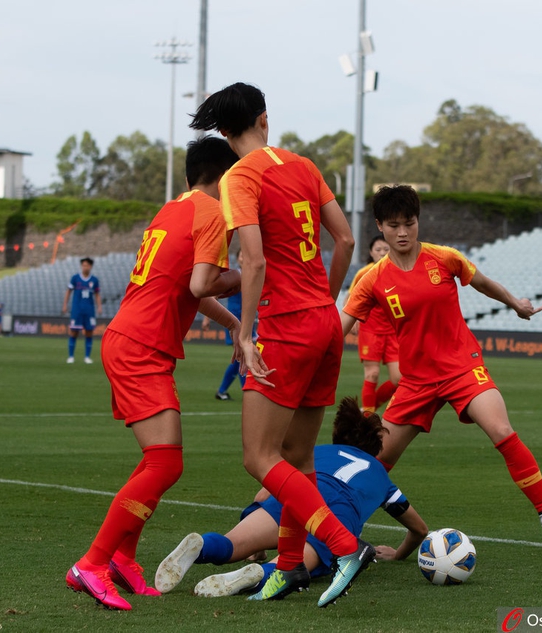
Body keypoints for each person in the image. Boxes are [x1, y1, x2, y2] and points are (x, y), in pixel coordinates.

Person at [190, 82, 375, 608]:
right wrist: (327, 300)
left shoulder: (239, 177)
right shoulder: (304, 165)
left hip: (285, 327)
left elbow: (253, 259)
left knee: (259, 457)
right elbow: (345, 240)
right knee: (298, 459)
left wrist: (244, 332)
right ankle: (289, 567)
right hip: (324, 323)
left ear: (224, 132)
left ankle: (343, 547)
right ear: (264, 119)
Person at [65, 136, 243, 611]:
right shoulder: (213, 213)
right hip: (141, 345)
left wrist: (232, 323)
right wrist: (251, 274)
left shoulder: (174, 209)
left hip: (133, 339)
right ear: (226, 178)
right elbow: (204, 282)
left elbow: (186, 286)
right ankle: (92, 563)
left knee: (157, 462)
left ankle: (123, 558)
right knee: (166, 463)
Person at [341, 185, 542, 548]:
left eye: (409, 223)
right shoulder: (371, 279)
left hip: (462, 367)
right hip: (416, 381)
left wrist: (516, 304)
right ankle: (340, 533)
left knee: (501, 430)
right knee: (376, 460)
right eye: (393, 225)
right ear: (380, 226)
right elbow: (342, 325)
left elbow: (483, 283)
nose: (402, 232)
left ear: (418, 222)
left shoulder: (444, 258)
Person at [154, 397, 428, 598]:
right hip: (337, 515)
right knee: (289, 566)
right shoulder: (380, 475)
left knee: (232, 543)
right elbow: (419, 530)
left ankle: (202, 546)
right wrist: (398, 554)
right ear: (376, 447)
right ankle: (261, 573)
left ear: (338, 435)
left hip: (298, 496)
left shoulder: (316, 451)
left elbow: (265, 491)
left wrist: (256, 532)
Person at [348, 235, 401, 413]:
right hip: (370, 329)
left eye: (386, 249)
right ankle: (368, 417)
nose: (382, 253)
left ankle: (366, 410)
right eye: (378, 250)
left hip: (393, 331)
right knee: (372, 374)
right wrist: (352, 319)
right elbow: (350, 298)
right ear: (371, 253)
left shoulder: (399, 271)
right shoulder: (364, 273)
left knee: (399, 380)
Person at [202, 249, 256, 401]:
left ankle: (223, 391)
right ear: (238, 259)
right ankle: (245, 391)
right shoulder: (235, 275)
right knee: (241, 356)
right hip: (234, 319)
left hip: (248, 320)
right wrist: (207, 318)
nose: (244, 258)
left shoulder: (253, 274)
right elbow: (213, 295)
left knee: (242, 356)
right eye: (241, 255)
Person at [62, 257, 102, 364]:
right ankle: (71, 356)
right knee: (73, 332)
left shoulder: (94, 280)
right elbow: (68, 291)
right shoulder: (75, 278)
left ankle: (87, 357)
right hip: (77, 310)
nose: (85, 267)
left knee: (89, 332)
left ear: (90, 266)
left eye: (87, 265)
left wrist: (99, 306)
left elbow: (97, 294)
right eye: (83, 265)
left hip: (89, 310)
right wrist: (65, 305)